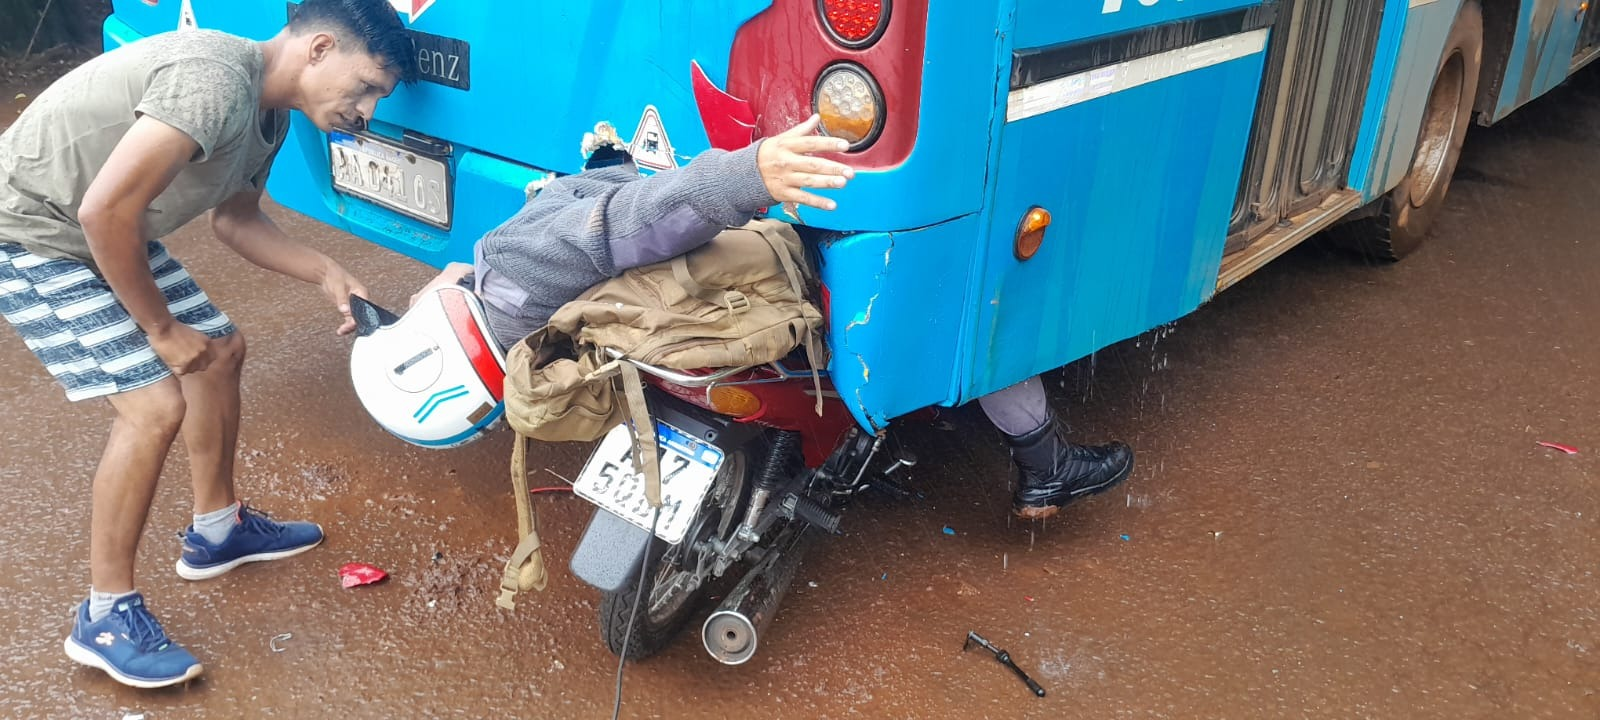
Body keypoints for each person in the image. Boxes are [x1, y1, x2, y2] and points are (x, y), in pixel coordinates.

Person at [414, 116, 1135, 522]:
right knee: (974, 288)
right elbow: (628, 221)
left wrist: (608, 162)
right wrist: (749, 173)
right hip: (763, 244)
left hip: (706, 291)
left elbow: (601, 217)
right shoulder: (507, 262)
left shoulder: (523, 327)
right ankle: (1046, 467)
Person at [0, 0, 418, 689]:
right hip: (30, 231)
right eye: (367, 86)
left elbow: (236, 220)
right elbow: (103, 211)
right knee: (153, 406)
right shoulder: (215, 79)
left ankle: (218, 531)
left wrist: (326, 273)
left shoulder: (271, 114)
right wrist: (162, 331)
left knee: (220, 349)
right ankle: (103, 616)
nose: (367, 111)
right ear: (319, 49)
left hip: (103, 230)